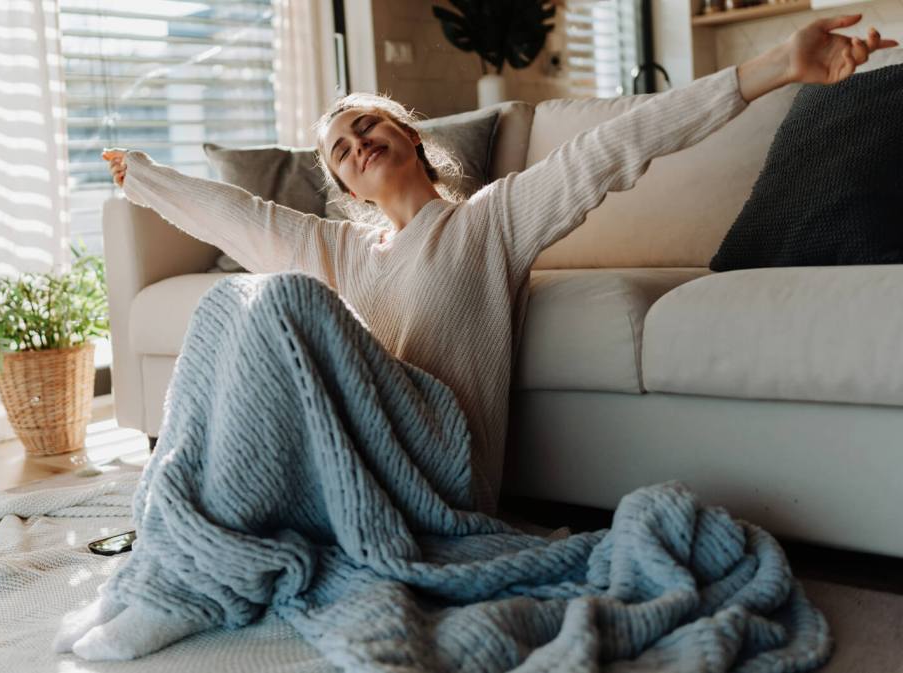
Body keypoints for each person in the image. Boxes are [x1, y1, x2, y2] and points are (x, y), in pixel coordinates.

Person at [59, 17, 896, 663]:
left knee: (280, 298)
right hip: (363, 462)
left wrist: (775, 67)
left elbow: (616, 147)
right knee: (227, 304)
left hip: (442, 462)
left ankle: (193, 584)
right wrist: (147, 179)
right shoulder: (339, 249)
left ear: (411, 137)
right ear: (343, 182)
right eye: (340, 148)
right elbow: (242, 218)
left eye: (369, 125)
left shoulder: (490, 222)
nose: (357, 143)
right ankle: (170, 570)